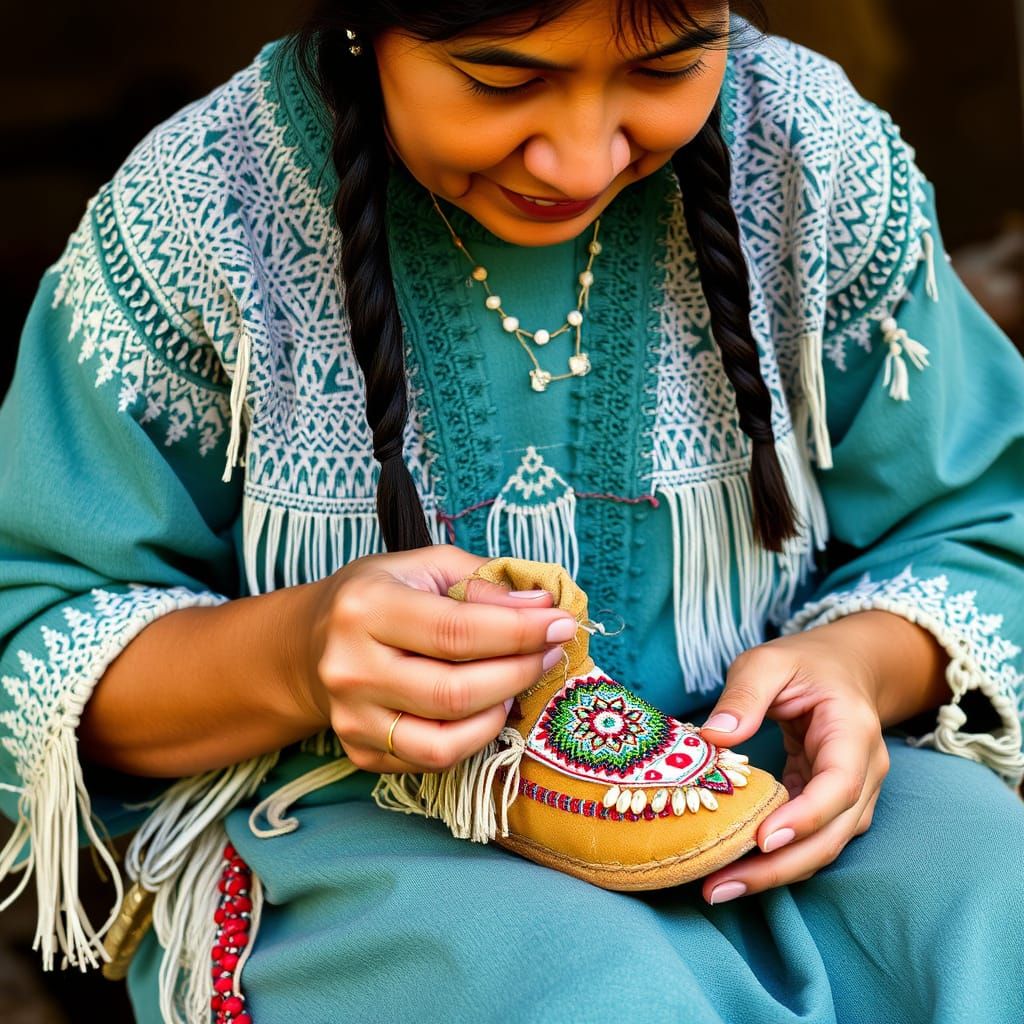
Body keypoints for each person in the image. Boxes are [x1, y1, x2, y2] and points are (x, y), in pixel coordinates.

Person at [1, 1, 1023, 1021]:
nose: (581, 160)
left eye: (664, 70)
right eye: (503, 81)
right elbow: (31, 631)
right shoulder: (201, 208)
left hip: (769, 775)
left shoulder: (806, 146)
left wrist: (856, 667)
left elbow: (982, 524)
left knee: (991, 894)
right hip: (362, 828)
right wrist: (296, 657)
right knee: (599, 995)